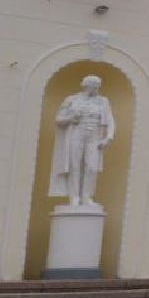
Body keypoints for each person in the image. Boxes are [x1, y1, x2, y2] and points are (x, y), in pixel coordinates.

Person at [49, 74, 115, 206]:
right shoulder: (72, 100)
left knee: (91, 167)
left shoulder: (103, 101)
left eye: (98, 86)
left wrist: (108, 137)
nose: (97, 89)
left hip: (95, 136)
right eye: (94, 86)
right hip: (76, 134)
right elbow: (58, 119)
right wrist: (71, 118)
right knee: (75, 166)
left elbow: (110, 119)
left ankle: (87, 197)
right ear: (86, 86)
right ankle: (74, 197)